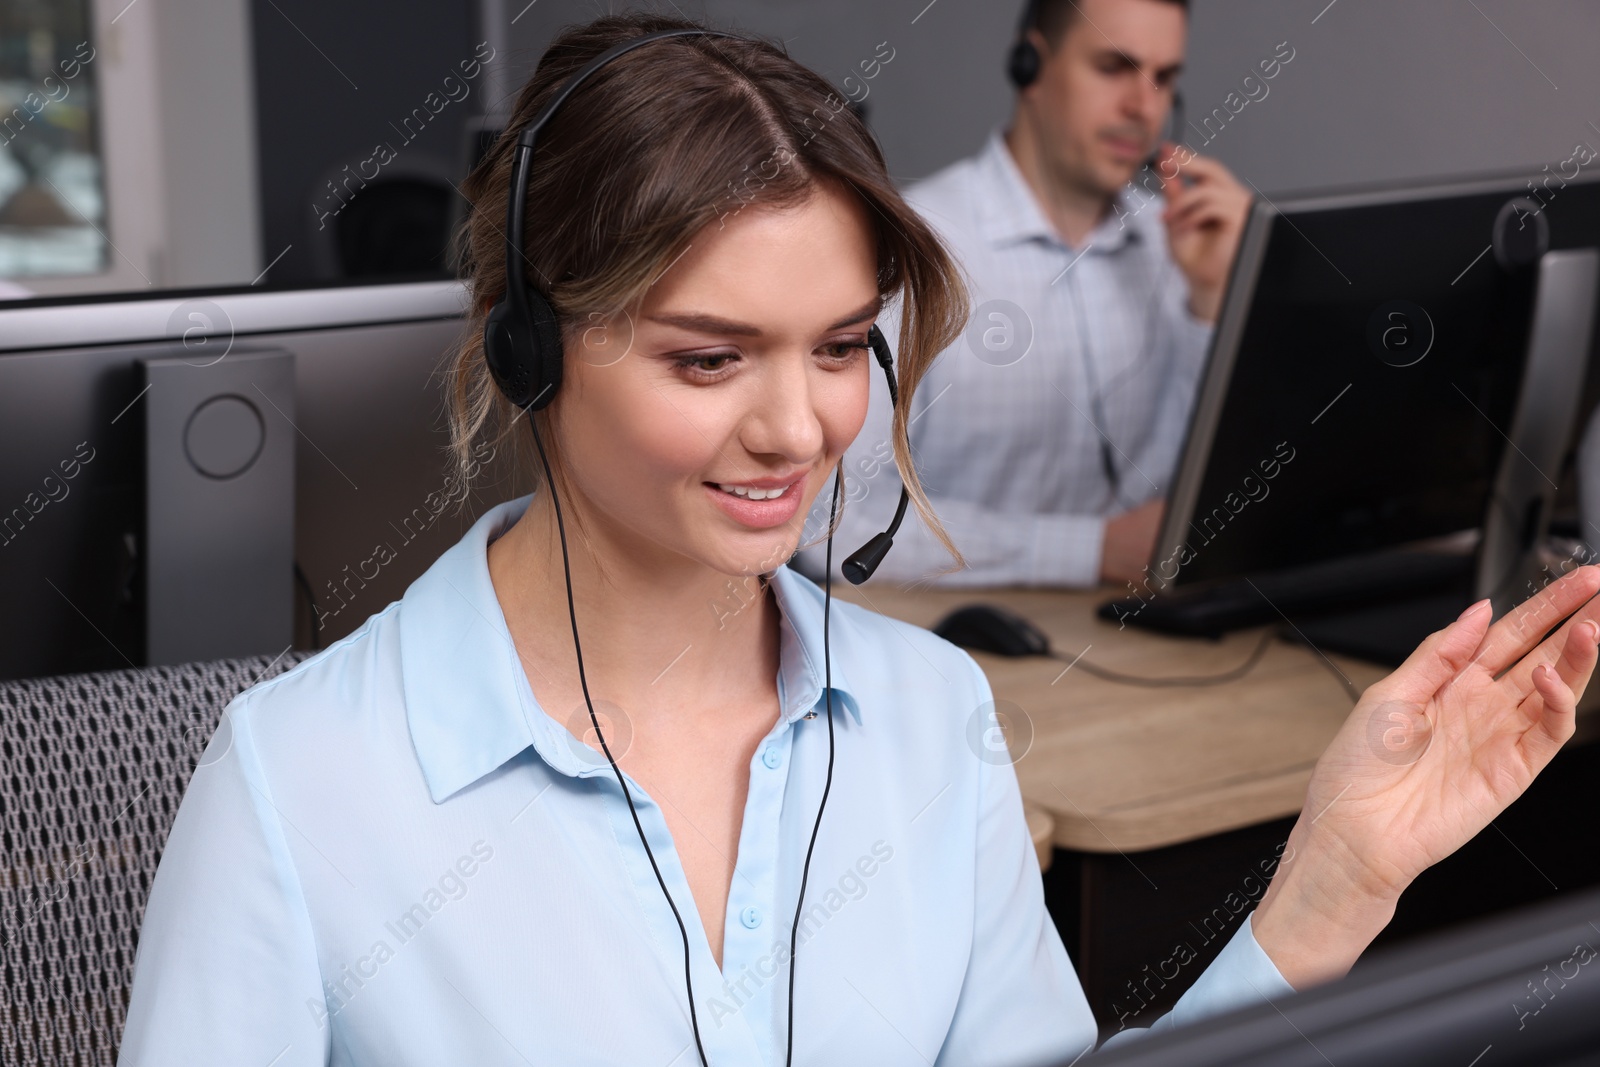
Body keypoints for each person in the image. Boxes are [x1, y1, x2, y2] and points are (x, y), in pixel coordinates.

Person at [117, 14, 1600, 1067]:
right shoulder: (297, 782)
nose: (800, 428)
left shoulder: (927, 712)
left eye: (839, 346)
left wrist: (1334, 880)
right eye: (709, 358)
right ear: (528, 350)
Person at [801, 0, 1254, 589]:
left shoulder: (1182, 249)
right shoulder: (912, 249)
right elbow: (830, 528)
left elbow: (1196, 490)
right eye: (1115, 67)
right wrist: (1092, 550)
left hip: (1155, 633)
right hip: (961, 645)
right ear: (1029, 65)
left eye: (1163, 79)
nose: (1143, 108)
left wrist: (1216, 301)